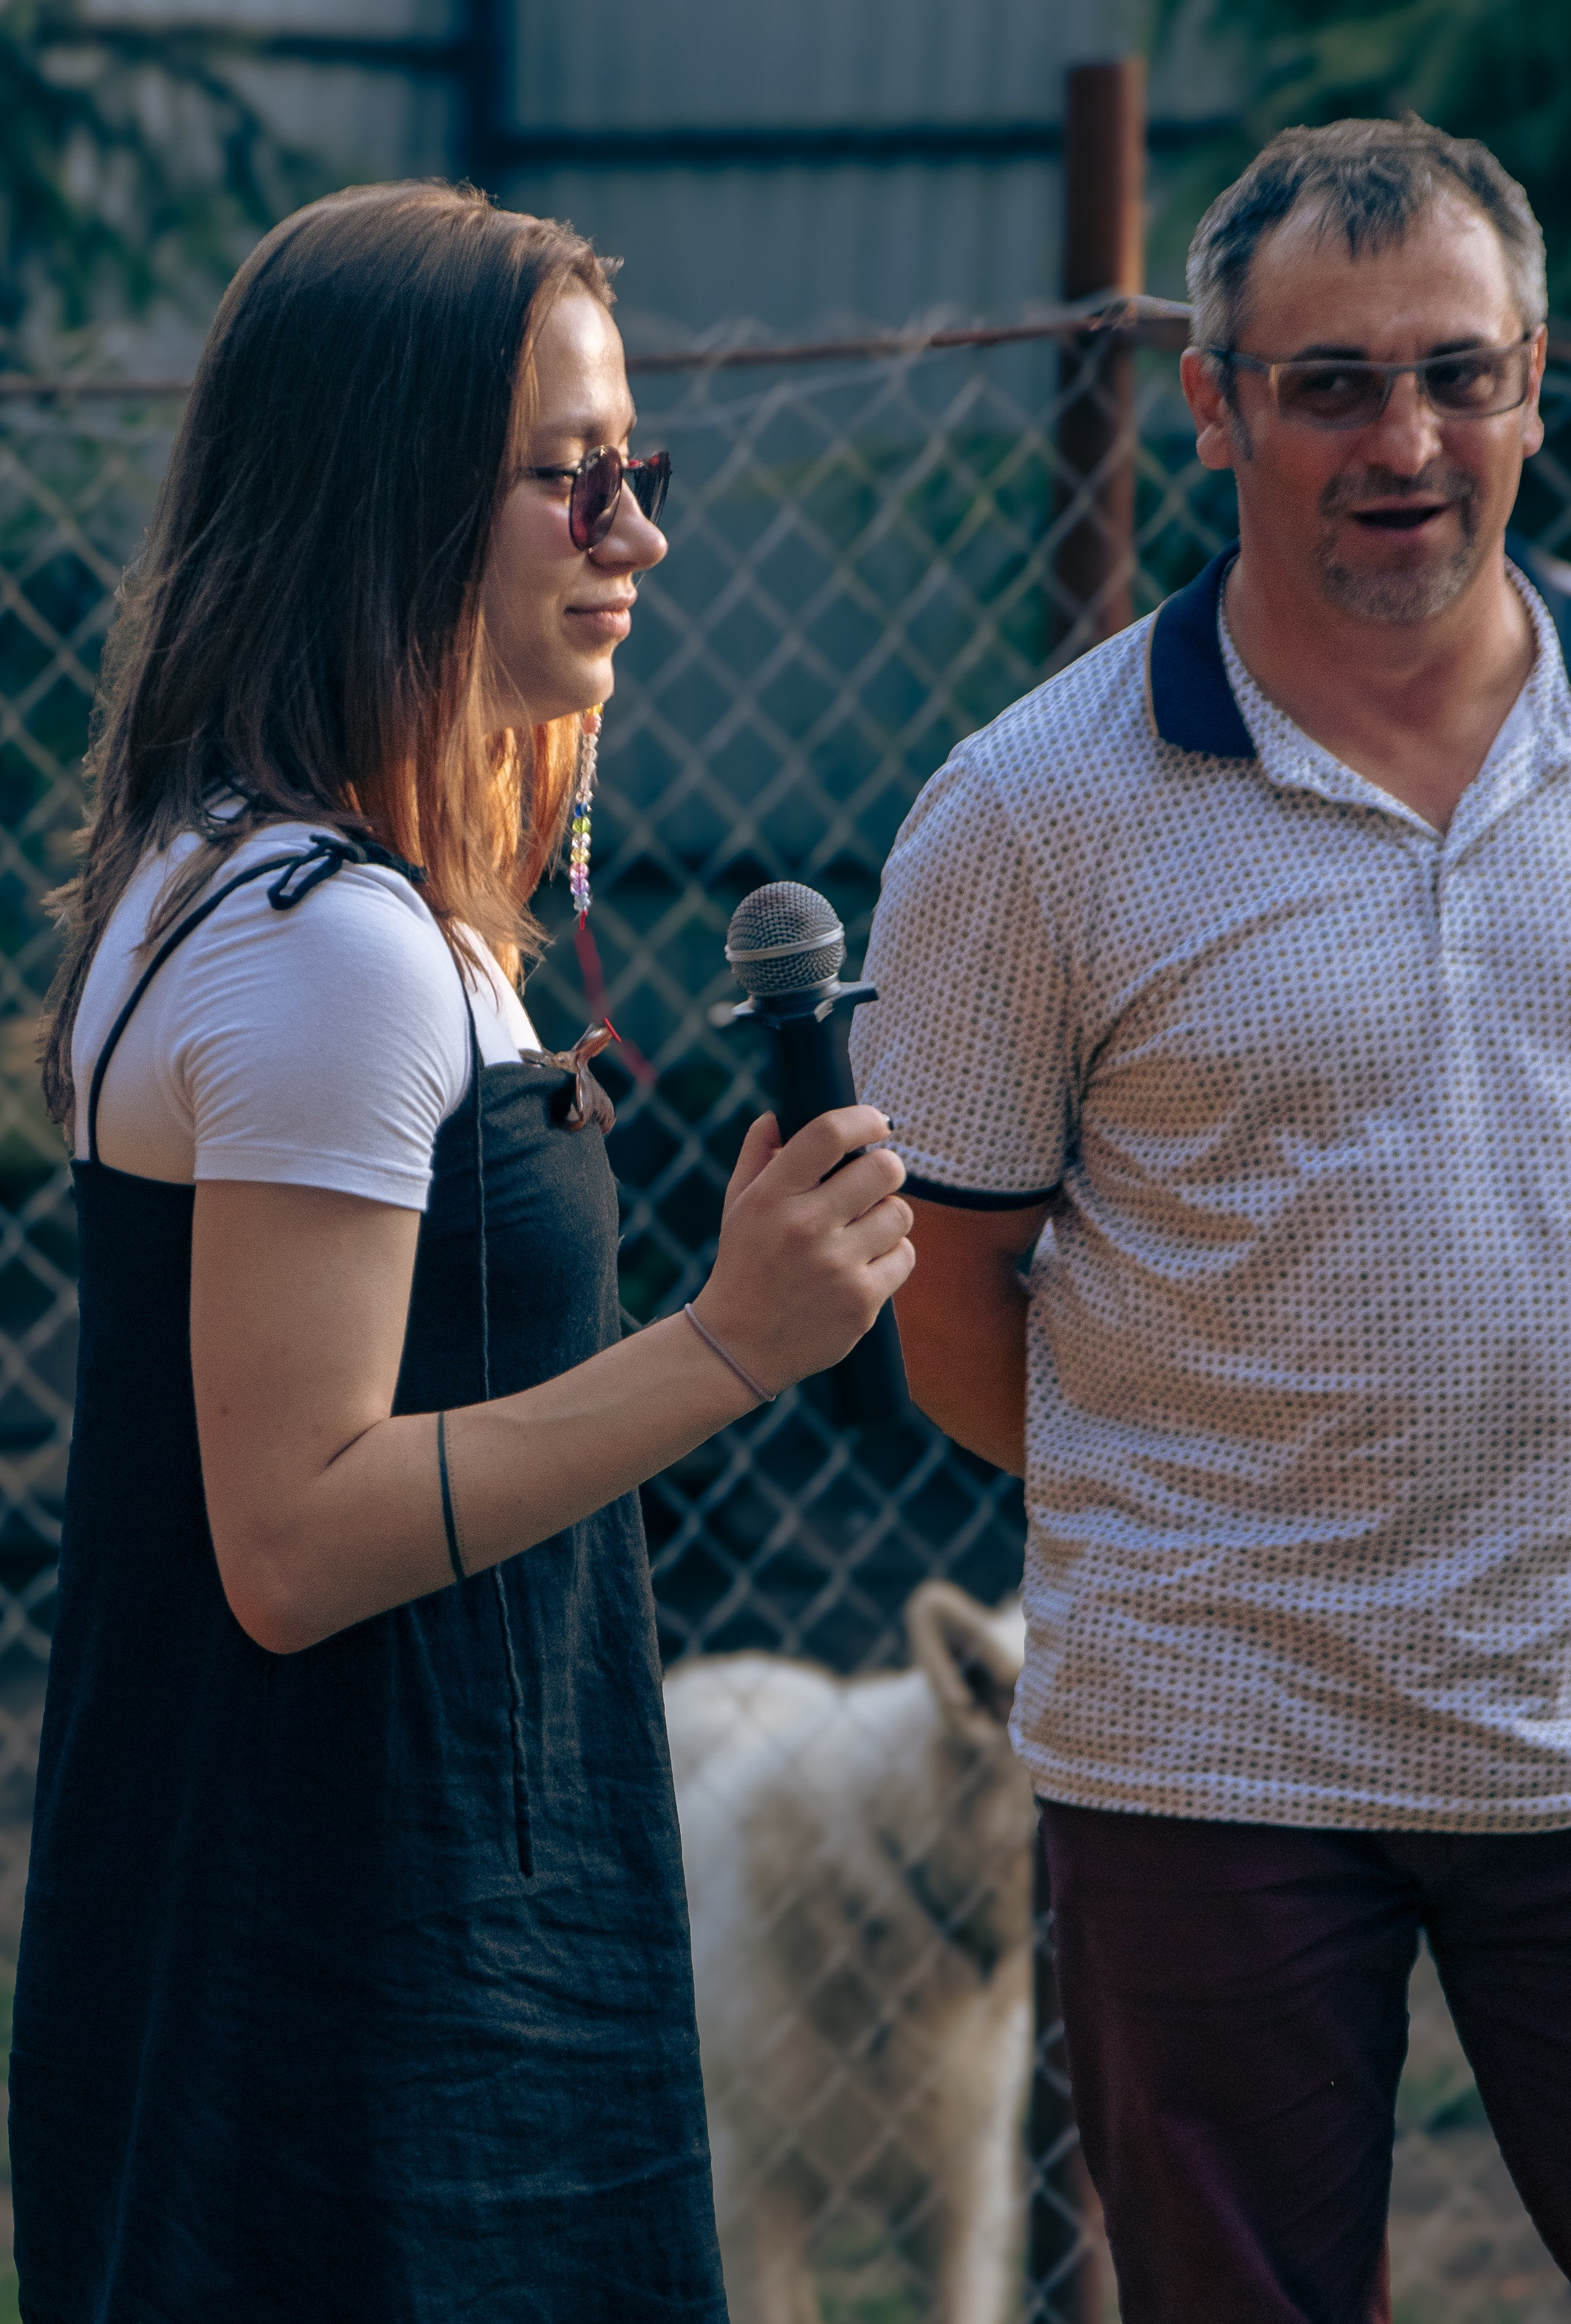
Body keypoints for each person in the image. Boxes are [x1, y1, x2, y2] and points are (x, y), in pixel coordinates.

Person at [10, 181, 914, 2323]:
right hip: (352, 1961)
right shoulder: (330, 947)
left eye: (641, 472)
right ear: (389, 491)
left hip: (331, 1901)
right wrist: (732, 1338)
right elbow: (294, 1535)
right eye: (568, 479)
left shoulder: (280, 877)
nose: (638, 534)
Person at [851, 117, 1571, 2321]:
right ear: (1216, 402)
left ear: (1538, 380)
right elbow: (948, 1302)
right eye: (1332, 382)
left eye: (1459, 373)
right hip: (1210, 1750)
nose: (1406, 439)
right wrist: (1210, 1527)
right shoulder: (1032, 814)